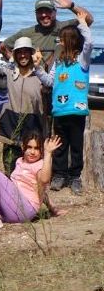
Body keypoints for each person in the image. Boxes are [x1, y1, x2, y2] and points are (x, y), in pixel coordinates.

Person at [33, 13, 94, 195]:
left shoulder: (82, 61)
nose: (58, 42)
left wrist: (82, 23)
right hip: (59, 111)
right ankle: (59, 174)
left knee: (76, 145)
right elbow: (49, 82)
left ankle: (75, 176)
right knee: (60, 144)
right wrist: (37, 68)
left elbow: (89, 43)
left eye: (61, 39)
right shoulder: (58, 63)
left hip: (76, 111)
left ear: (71, 41)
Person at [0, 29, 45, 175]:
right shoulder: (6, 74)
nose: (22, 55)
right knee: (10, 173)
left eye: (26, 52)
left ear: (31, 54)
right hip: (9, 130)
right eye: (19, 52)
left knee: (31, 174)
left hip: (33, 133)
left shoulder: (41, 76)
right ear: (14, 55)